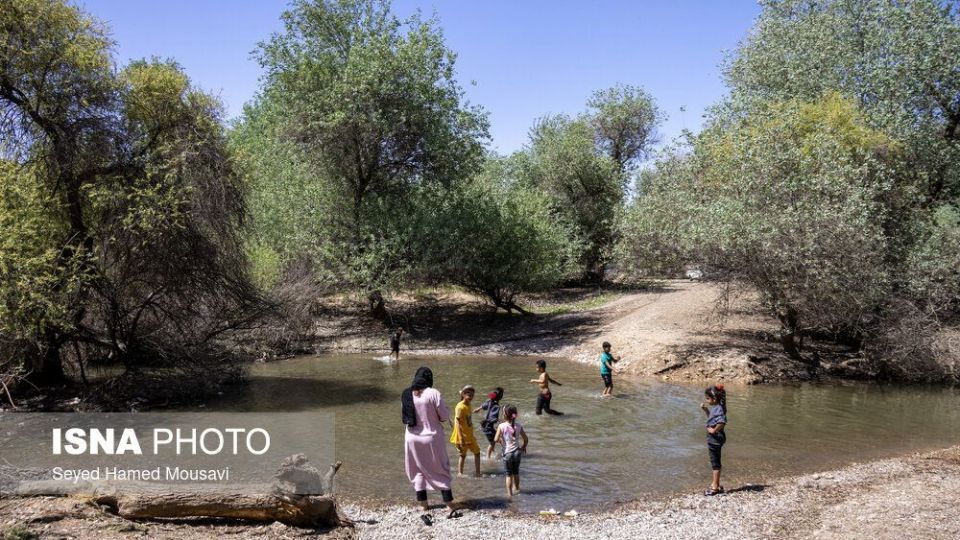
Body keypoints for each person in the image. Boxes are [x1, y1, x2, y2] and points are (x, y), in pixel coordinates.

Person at [402, 367, 456, 514]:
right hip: (431, 437)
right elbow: (444, 416)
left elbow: (406, 416)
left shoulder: (406, 393)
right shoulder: (433, 393)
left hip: (412, 438)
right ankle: (449, 504)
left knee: (417, 470)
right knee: (441, 467)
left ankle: (424, 505)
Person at [494, 404, 528, 497]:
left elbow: (495, 439)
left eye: (502, 413)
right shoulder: (518, 426)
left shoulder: (501, 426)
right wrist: (523, 447)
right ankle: (517, 489)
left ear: (505, 415)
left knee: (508, 475)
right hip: (517, 452)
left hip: (507, 453)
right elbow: (526, 439)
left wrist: (501, 441)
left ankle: (509, 495)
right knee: (516, 472)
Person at [700, 384, 727, 496]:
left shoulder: (719, 409)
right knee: (715, 461)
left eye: (708, 398)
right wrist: (706, 410)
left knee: (715, 463)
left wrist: (714, 431)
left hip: (715, 439)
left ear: (714, 398)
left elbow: (722, 422)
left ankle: (715, 487)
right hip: (716, 439)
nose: (706, 400)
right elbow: (712, 419)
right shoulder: (717, 407)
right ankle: (716, 484)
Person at [450, 385, 481, 478]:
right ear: (464, 395)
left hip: (469, 435)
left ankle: (478, 472)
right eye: (469, 395)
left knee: (477, 452)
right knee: (462, 455)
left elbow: (468, 421)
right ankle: (460, 473)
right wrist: (461, 438)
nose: (471, 397)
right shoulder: (460, 407)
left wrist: (472, 434)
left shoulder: (468, 404)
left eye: (472, 395)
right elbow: (458, 423)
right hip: (462, 436)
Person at [474, 387, 504, 459]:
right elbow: (493, 418)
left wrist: (478, 409)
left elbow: (484, 406)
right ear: (500, 397)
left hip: (485, 425)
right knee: (493, 442)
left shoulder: (489, 401)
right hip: (488, 427)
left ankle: (494, 453)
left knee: (498, 439)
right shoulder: (497, 406)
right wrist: (498, 421)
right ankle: (488, 458)